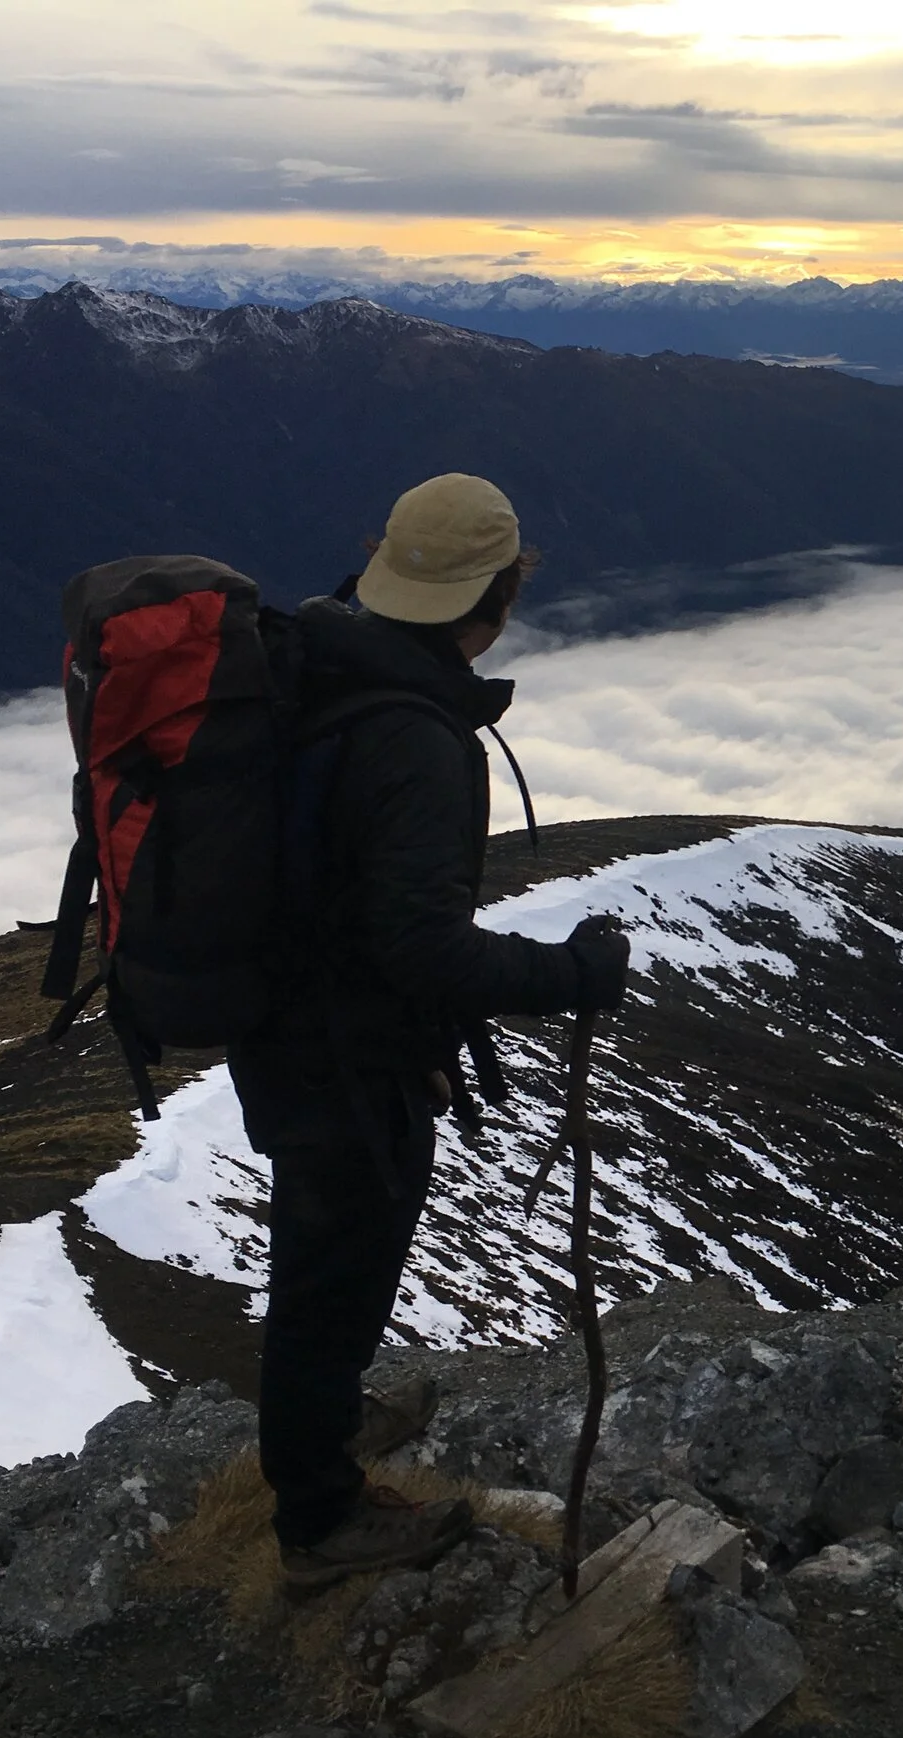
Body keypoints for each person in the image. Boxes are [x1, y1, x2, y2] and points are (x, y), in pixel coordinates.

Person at [227, 471, 630, 1590]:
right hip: (340, 1051)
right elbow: (418, 946)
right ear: (498, 594)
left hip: (292, 1019)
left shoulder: (327, 655)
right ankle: (317, 1517)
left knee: (334, 1250)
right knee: (336, 1262)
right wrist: (576, 976)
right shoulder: (412, 733)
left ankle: (330, 1418)